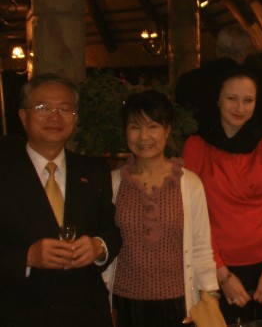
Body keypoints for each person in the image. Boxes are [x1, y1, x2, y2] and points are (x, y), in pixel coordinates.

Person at [0, 73, 122, 327]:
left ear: (75, 118)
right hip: (19, 312)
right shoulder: (6, 170)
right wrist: (27, 257)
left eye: (65, 109)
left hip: (85, 314)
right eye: (43, 108)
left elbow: (111, 231)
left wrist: (98, 247)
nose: (55, 117)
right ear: (23, 116)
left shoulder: (94, 171)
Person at [182, 65, 262, 325]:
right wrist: (221, 273)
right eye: (231, 98)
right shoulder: (196, 146)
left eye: (248, 100)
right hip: (215, 266)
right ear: (217, 98)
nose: (240, 107)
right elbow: (191, 218)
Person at [107, 90, 219, 326]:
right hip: (124, 304)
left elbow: (201, 248)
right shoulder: (113, 183)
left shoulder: (189, 184)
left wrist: (209, 298)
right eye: (135, 127)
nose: (143, 136)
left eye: (153, 126)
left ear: (167, 130)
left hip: (178, 304)